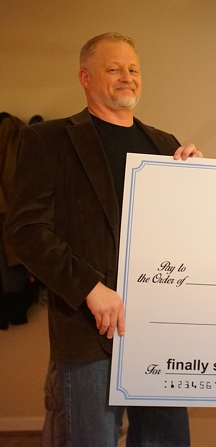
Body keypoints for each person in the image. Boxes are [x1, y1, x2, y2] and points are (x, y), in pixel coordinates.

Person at [4, 32, 202, 446]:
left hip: (158, 325)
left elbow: (182, 231)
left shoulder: (165, 144)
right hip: (88, 326)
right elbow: (25, 231)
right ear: (85, 78)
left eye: (133, 69)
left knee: (167, 440)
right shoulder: (47, 140)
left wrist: (197, 182)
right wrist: (90, 288)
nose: (127, 77)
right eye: (113, 69)